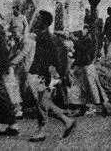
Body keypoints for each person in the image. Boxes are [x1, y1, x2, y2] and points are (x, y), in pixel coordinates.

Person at [27, 10, 77, 142]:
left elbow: (56, 60)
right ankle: (67, 121)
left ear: (44, 22)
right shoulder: (43, 36)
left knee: (42, 103)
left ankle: (41, 131)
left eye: (38, 19)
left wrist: (54, 78)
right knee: (44, 102)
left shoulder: (47, 38)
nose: (35, 20)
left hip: (47, 76)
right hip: (44, 75)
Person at [72, 24, 108, 117]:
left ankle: (92, 108)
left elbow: (84, 50)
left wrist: (75, 41)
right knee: (85, 88)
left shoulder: (89, 39)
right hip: (84, 65)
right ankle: (86, 108)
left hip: (87, 66)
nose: (80, 32)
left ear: (87, 30)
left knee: (90, 88)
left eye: (82, 30)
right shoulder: (85, 39)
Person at [9, 25, 36, 119]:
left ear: (20, 32)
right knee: (20, 88)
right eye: (12, 33)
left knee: (24, 88)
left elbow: (22, 54)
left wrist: (10, 63)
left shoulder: (27, 41)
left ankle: (25, 109)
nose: (13, 35)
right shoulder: (18, 42)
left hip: (26, 68)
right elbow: (13, 53)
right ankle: (23, 109)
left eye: (15, 33)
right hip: (21, 69)